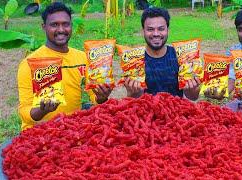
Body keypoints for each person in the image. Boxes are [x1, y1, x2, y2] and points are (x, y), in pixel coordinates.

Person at [17, 2, 111, 130]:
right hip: (38, 133)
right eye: (54, 25)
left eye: (65, 24)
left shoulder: (82, 58)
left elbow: (94, 97)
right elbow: (24, 111)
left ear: (71, 26)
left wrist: (101, 97)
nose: (61, 30)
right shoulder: (29, 63)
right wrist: (42, 110)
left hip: (71, 129)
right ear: (44, 27)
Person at [124, 7, 201, 100]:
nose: (156, 34)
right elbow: (131, 100)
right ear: (142, 31)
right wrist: (133, 94)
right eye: (150, 29)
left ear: (167, 30)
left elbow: (193, 97)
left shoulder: (180, 57)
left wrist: (192, 89)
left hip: (174, 111)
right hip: (145, 112)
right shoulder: (134, 61)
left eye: (161, 29)